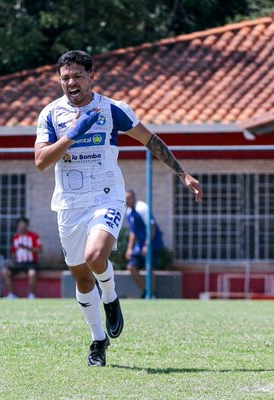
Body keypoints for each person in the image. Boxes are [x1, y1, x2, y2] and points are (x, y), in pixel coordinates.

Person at [34, 50, 203, 367]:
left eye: (78, 76)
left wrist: (182, 173)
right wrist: (73, 133)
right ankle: (98, 340)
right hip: (69, 204)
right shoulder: (50, 115)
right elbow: (41, 162)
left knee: (96, 256)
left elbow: (150, 140)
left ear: (91, 77)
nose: (71, 82)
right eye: (65, 77)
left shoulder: (112, 109)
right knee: (83, 280)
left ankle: (110, 297)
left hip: (106, 197)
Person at [125, 190, 164, 298]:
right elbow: (133, 231)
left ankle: (151, 294)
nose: (127, 201)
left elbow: (152, 226)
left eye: (129, 198)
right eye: (125, 199)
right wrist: (129, 248)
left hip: (152, 243)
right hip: (140, 245)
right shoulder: (128, 212)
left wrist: (148, 244)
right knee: (131, 267)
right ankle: (146, 291)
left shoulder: (141, 207)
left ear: (134, 197)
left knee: (149, 268)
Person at [3, 217, 42, 299]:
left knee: (32, 273)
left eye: (23, 224)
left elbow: (40, 249)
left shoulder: (34, 236)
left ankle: (31, 295)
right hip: (18, 263)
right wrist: (12, 259)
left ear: (27, 225)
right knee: (5, 272)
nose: (21, 226)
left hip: (31, 263)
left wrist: (28, 248)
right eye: (19, 224)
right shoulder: (16, 237)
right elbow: (13, 251)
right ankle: (11, 294)